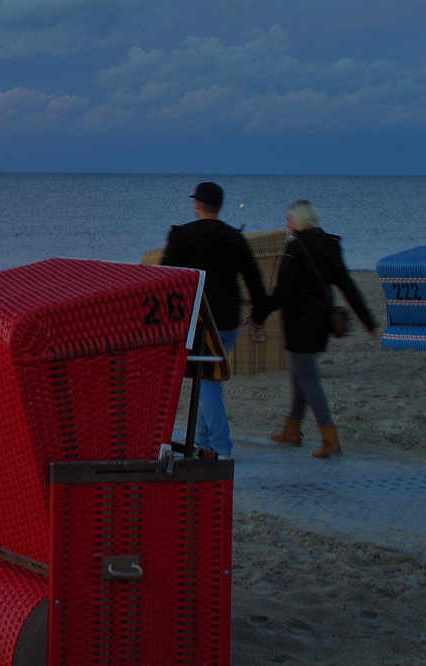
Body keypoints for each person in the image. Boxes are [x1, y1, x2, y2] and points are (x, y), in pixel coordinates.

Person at [249, 199, 378, 458]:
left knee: (308, 380)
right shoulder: (330, 246)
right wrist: (368, 321)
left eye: (289, 220)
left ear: (298, 220)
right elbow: (346, 285)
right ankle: (292, 430)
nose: (287, 224)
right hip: (321, 324)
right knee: (300, 376)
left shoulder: (295, 249)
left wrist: (258, 314)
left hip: (299, 324)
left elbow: (282, 291)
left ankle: (329, 439)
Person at [159, 181, 267, 459]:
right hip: (228, 321)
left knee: (205, 381)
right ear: (219, 206)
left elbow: (165, 279)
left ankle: (221, 448)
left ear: (196, 205)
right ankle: (202, 442)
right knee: (209, 379)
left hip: (196, 319)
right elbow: (254, 279)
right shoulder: (235, 237)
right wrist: (258, 314)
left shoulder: (182, 235)